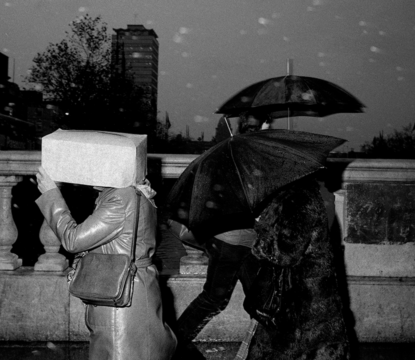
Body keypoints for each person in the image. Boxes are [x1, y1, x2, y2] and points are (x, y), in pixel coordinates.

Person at [35, 166, 177, 360]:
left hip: (120, 300)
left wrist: (51, 195)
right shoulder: (131, 192)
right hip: (134, 289)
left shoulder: (120, 198)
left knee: (118, 353)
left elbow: (73, 240)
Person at [172, 110, 270, 360]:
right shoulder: (252, 159)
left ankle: (174, 340)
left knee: (242, 298)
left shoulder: (227, 154)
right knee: (247, 299)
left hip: (225, 239)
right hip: (238, 241)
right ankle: (174, 340)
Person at [243, 174, 350, 360]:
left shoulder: (298, 198)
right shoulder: (305, 195)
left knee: (292, 348)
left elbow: (284, 254)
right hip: (308, 293)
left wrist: (261, 236)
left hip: (298, 299)